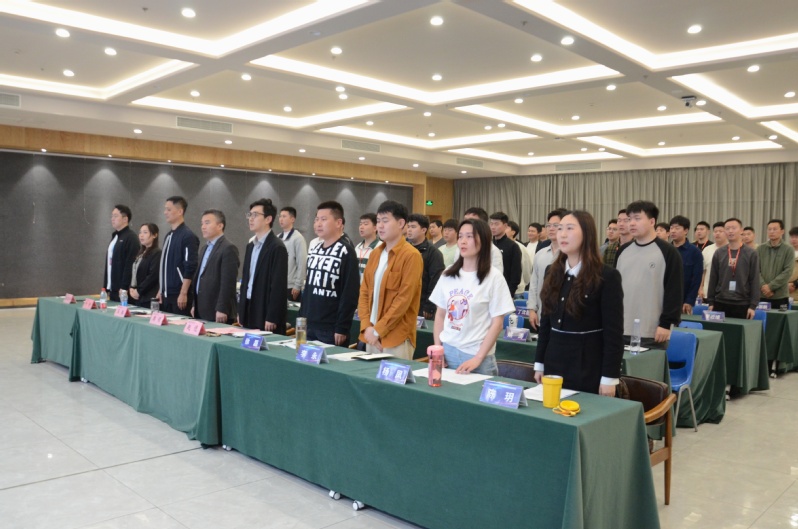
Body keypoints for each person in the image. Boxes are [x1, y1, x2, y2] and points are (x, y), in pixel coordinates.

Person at [534, 211, 624, 395]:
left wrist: (609, 377)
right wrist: (539, 363)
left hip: (587, 365)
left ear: (587, 234)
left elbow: (613, 333)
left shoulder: (606, 276)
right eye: (560, 229)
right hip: (553, 362)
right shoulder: (552, 271)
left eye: (569, 228)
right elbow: (546, 322)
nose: (562, 234)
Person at [430, 219, 515, 375]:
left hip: (477, 357)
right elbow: (440, 314)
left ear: (483, 240)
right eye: (460, 236)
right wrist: (438, 349)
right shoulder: (448, 274)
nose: (463, 241)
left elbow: (497, 323)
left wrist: (478, 358)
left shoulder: (494, 277)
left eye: (469, 236)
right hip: (447, 352)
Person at [358, 201, 423, 359]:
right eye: (378, 221)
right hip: (371, 335)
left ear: (401, 223)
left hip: (396, 338)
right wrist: (367, 326)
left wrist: (378, 330)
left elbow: (403, 300)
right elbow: (364, 292)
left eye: (385, 221)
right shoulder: (375, 254)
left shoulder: (411, 256)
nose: (380, 226)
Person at [616, 201, 683, 348]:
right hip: (620, 328)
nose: (631, 223)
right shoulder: (622, 251)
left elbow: (674, 292)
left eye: (637, 218)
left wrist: (666, 324)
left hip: (652, 332)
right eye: (629, 219)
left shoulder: (668, 252)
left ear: (652, 221)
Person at [299, 201, 359, 345]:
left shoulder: (346, 251)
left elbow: (349, 293)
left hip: (330, 328)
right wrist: (301, 321)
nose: (318, 224)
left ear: (338, 223)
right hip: (308, 324)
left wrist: (342, 327)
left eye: (324, 219)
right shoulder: (315, 249)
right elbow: (308, 289)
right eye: (316, 219)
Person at [239, 199, 288, 333]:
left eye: (255, 215)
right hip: (249, 306)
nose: (251, 218)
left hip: (265, 310)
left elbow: (278, 286)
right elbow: (245, 280)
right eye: (250, 215)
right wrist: (241, 310)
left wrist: (272, 316)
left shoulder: (277, 247)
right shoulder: (250, 246)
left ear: (268, 219)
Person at [707, 218, 760, 320]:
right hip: (721, 302)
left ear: (741, 230)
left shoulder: (751, 253)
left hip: (742, 303)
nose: (730, 231)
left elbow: (754, 280)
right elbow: (713, 278)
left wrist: (753, 305)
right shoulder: (719, 253)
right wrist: (711, 302)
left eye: (733, 228)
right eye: (727, 229)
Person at [192, 210, 239, 323]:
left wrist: (222, 308)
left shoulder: (228, 248)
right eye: (202, 223)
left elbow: (228, 283)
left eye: (207, 223)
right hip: (201, 308)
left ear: (220, 226)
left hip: (217, 311)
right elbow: (199, 278)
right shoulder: (204, 248)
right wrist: (194, 304)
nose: (203, 227)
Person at [157, 196, 199, 316]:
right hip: (166, 295)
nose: (165, 212)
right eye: (165, 209)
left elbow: (190, 266)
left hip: (179, 295)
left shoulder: (188, 236)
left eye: (169, 209)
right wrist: (161, 289)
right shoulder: (168, 236)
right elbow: (165, 266)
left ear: (180, 211)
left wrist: (183, 292)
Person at [528, 209, 566, 329]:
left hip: (563, 317)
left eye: (556, 225)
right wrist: (532, 309)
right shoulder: (540, 254)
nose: (551, 228)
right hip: (542, 314)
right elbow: (534, 283)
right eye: (549, 225)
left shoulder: (570, 255)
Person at [406, 213, 445, 320]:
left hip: (422, 305)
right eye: (408, 227)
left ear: (423, 230)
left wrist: (429, 305)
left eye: (413, 227)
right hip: (405, 301)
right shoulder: (403, 249)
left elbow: (435, 281)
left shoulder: (434, 253)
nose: (409, 230)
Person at [103, 205, 140, 301]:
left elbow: (130, 264)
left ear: (125, 219)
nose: (112, 219)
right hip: (112, 289)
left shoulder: (131, 238)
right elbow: (109, 264)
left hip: (123, 291)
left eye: (115, 216)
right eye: (112, 216)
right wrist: (105, 287)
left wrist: (124, 287)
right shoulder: (115, 237)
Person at [670, 215, 704, 313]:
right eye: (671, 228)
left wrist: (689, 301)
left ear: (686, 230)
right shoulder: (665, 250)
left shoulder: (695, 252)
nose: (673, 231)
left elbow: (696, 279)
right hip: (664, 299)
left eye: (677, 228)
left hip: (683, 301)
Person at [757, 219, 793, 309]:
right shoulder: (760, 248)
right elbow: (755, 270)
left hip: (780, 296)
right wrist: (763, 286)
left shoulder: (788, 249)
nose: (772, 232)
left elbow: (788, 271)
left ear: (782, 231)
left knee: (779, 318)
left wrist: (770, 287)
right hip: (762, 295)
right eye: (769, 229)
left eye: (775, 229)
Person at [278, 206, 307, 302]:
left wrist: (298, 285)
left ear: (292, 219)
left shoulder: (298, 238)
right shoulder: (278, 238)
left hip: (291, 287)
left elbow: (302, 263)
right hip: (278, 284)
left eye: (284, 216)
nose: (281, 219)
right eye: (280, 216)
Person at [489, 212, 522, 295]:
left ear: (505, 226)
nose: (493, 227)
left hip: (505, 291)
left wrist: (510, 293)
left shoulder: (513, 246)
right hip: (488, 290)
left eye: (496, 224)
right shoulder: (487, 245)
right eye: (491, 224)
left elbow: (516, 274)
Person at [129, 223, 161, 308]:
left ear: (154, 235)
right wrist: (132, 288)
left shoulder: (157, 253)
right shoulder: (141, 253)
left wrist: (139, 291)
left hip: (148, 297)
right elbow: (135, 273)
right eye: (140, 232)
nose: (141, 235)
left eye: (145, 232)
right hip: (138, 297)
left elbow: (153, 276)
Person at [462, 207, 503, 271]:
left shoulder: (493, 251)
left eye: (471, 221)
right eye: (465, 221)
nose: (466, 224)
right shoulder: (461, 247)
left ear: (483, 225)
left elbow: (497, 275)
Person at [355, 213, 382, 281]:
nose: (361, 227)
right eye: (360, 224)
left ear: (375, 228)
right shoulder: (358, 247)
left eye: (365, 224)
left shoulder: (380, 247)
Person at [506, 221, 532, 294]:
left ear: (513, 232)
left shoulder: (520, 247)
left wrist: (523, 283)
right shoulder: (495, 246)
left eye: (506, 228)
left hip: (517, 291)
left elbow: (527, 268)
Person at [789, 227, 798, 295]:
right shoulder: (787, 252)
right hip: (786, 290)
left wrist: (795, 284)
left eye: (796, 237)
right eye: (792, 237)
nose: (794, 239)